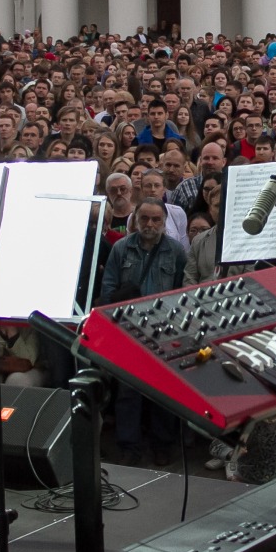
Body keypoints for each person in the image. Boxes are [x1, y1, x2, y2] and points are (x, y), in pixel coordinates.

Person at [99, 198, 188, 465]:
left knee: (164, 390)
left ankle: (163, 444)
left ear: (164, 222)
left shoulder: (175, 251)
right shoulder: (121, 249)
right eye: (145, 219)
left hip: (164, 330)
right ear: (136, 220)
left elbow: (182, 290)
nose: (150, 224)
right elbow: (109, 288)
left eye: (156, 220)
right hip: (129, 329)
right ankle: (129, 446)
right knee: (129, 390)